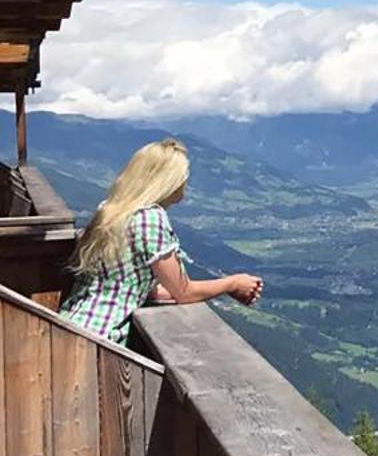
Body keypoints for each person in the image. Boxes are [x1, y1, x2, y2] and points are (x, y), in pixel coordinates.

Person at [61, 137, 262, 346]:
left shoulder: (111, 210)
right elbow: (183, 292)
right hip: (101, 338)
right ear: (169, 181)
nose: (185, 182)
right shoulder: (150, 218)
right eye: (182, 176)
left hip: (72, 326)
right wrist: (232, 284)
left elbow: (127, 284)